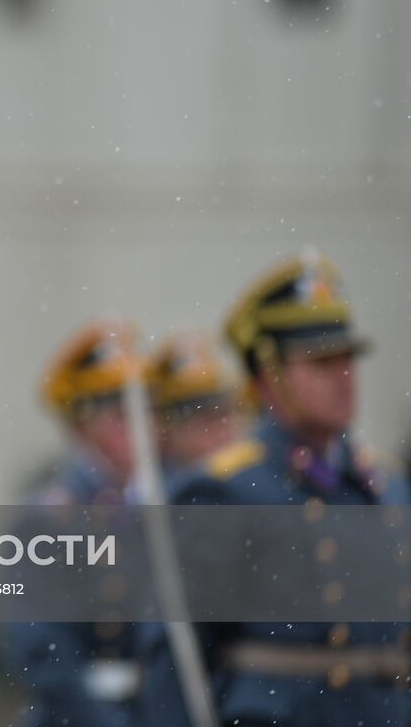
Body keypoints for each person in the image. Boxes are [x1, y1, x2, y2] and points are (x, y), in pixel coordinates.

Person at [138, 249, 410, 726]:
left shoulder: (384, 484)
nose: (343, 377)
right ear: (269, 375)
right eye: (321, 363)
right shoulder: (225, 490)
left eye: (347, 359)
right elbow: (176, 660)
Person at [8, 316, 144, 727]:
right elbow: (42, 651)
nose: (140, 430)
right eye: (121, 416)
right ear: (84, 425)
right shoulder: (48, 520)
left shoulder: (159, 505)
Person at [144, 330, 247, 471]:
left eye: (223, 414)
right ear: (168, 429)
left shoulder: (252, 475)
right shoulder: (154, 488)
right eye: (204, 419)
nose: (220, 430)